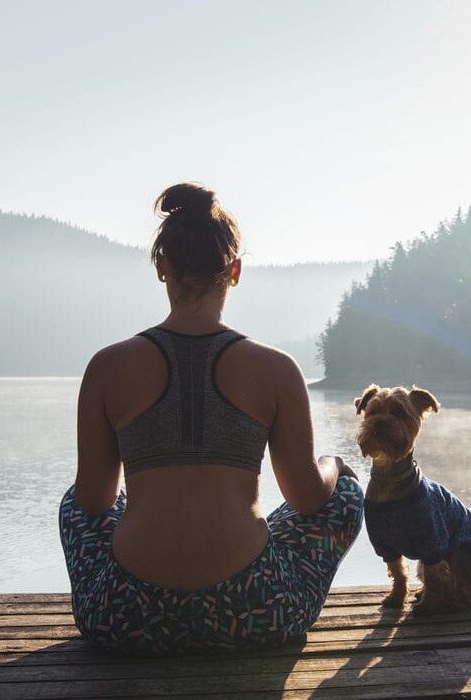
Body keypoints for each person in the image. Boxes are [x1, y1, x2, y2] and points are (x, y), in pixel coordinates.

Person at [59, 182, 363, 655]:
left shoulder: (107, 367)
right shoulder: (277, 370)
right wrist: (333, 464)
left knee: (72, 504)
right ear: (235, 271)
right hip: (255, 613)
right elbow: (305, 498)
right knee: (343, 492)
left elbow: (95, 502)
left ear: (163, 268)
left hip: (124, 616)